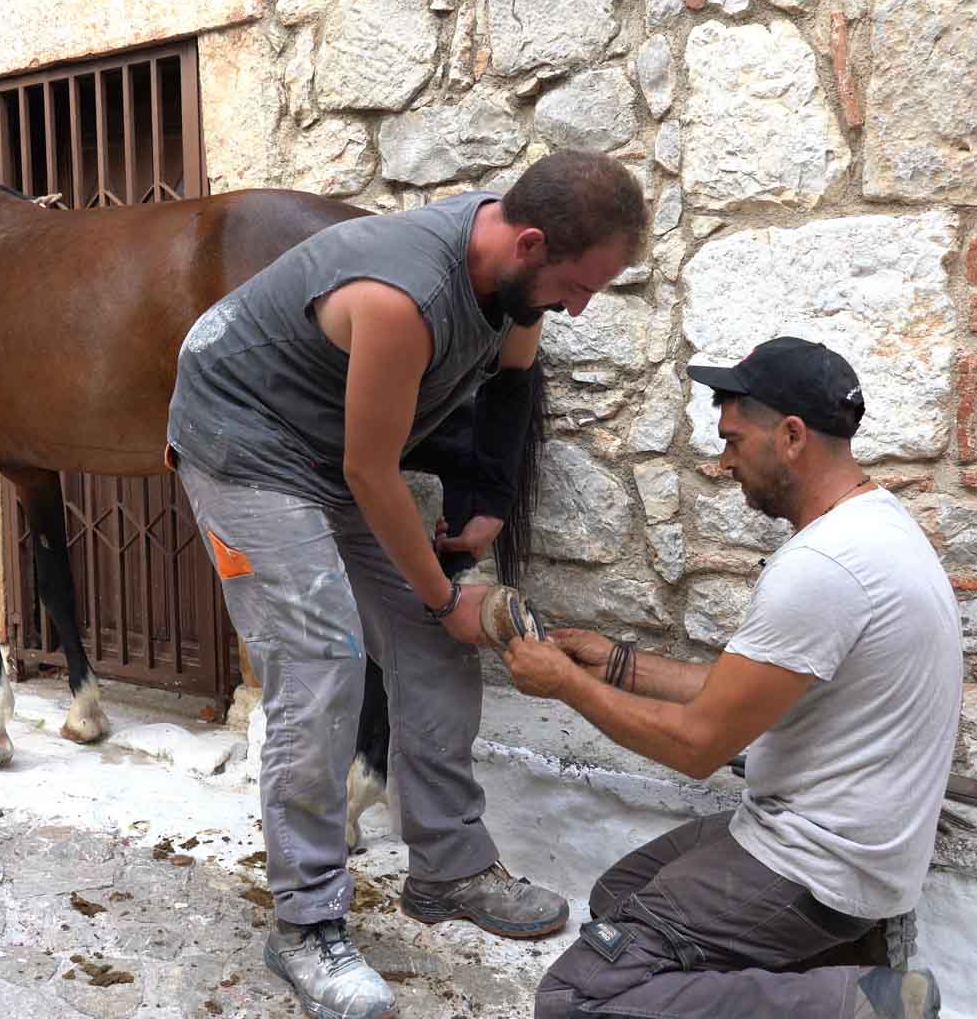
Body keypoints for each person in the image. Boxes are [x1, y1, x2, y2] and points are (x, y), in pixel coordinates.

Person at [166, 151, 648, 1019]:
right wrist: (442, 593)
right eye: (578, 287)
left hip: (327, 447)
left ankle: (449, 868)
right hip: (243, 442)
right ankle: (306, 923)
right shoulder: (401, 299)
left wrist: (487, 502)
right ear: (531, 242)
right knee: (322, 662)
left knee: (431, 648)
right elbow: (372, 472)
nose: (579, 307)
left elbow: (510, 381)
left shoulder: (510, 274)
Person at [504, 337, 962, 1019]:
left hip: (820, 867)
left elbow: (698, 746)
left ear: (793, 436)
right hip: (835, 845)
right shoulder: (875, 523)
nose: (722, 463)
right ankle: (841, 965)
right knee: (617, 902)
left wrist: (565, 686)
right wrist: (616, 664)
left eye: (733, 439)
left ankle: (849, 1003)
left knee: (576, 996)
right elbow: (738, 693)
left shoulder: (825, 568)